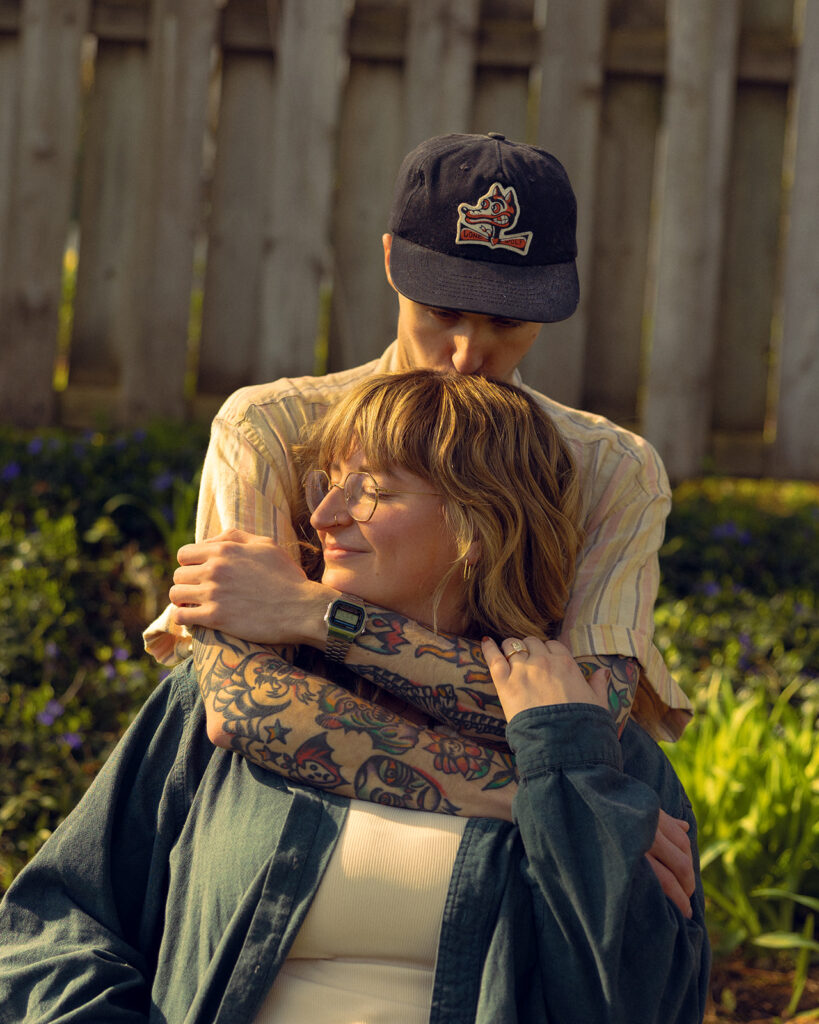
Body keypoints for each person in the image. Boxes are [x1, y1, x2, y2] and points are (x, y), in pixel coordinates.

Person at [0, 371, 709, 1023]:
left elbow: (636, 999)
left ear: (477, 524)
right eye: (327, 484)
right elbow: (53, 925)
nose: (325, 516)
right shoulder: (234, 690)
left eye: (372, 490)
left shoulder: (592, 752)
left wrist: (570, 786)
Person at [154, 134, 694, 896]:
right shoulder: (271, 430)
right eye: (442, 311)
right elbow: (245, 705)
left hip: (510, 900)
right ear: (389, 263)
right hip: (273, 857)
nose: (469, 352)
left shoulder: (610, 469)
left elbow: (588, 721)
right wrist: (546, 804)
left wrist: (315, 616)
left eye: (509, 322)